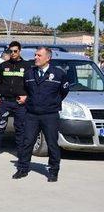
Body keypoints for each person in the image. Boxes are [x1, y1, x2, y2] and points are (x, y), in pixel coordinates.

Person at [13, 47, 69, 182]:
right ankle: (22, 168)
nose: (36, 57)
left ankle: (53, 171)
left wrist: (53, 102)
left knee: (52, 144)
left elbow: (64, 92)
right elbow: (26, 90)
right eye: (35, 55)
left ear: (48, 58)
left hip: (50, 115)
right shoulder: (29, 73)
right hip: (32, 114)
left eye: (39, 55)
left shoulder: (58, 74)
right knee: (27, 142)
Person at [0, 41, 31, 159]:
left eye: (15, 51)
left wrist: (26, 96)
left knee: (20, 128)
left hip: (19, 103)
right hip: (5, 102)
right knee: (1, 126)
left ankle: (20, 153)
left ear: (19, 51)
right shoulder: (4, 65)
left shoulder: (26, 66)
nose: (13, 53)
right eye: (10, 51)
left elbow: (30, 84)